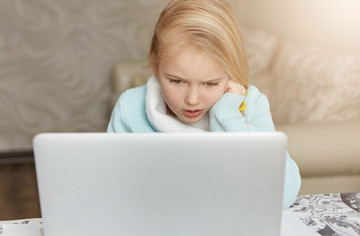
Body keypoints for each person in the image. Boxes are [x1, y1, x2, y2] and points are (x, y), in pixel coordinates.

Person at [107, 0, 301, 209]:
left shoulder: (251, 105)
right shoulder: (130, 107)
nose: (192, 99)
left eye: (210, 83)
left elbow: (282, 194)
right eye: (177, 81)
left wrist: (228, 117)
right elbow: (108, 185)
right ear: (155, 66)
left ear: (231, 72)